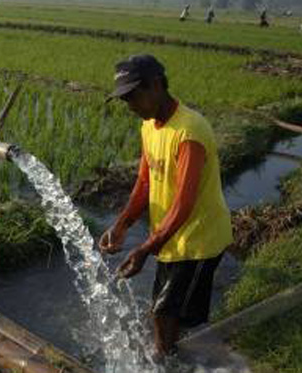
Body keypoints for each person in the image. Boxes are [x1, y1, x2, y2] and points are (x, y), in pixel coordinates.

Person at [102, 55, 233, 360]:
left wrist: (145, 249)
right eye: (125, 100)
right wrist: (122, 224)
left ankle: (169, 361)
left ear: (157, 86)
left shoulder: (190, 131)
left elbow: (184, 204)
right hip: (170, 238)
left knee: (166, 312)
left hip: (199, 240)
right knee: (166, 312)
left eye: (133, 96)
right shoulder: (149, 126)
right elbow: (145, 182)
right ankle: (171, 357)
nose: (130, 106)